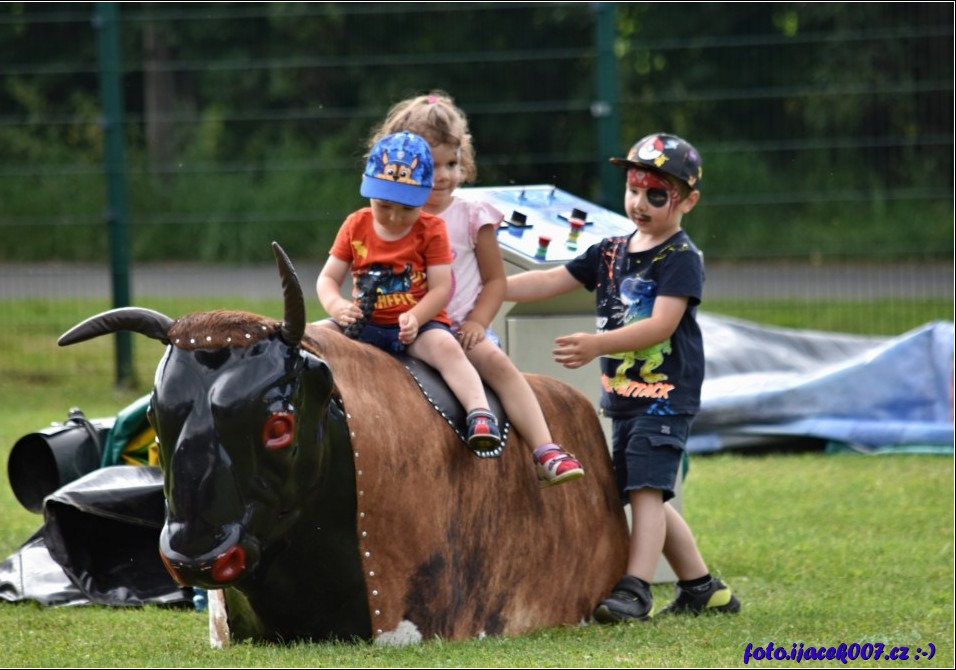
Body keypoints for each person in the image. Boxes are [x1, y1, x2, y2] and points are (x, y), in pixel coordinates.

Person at [505, 133, 740, 618]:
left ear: (688, 201)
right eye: (635, 189)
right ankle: (703, 589)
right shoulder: (611, 250)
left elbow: (661, 325)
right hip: (627, 397)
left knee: (644, 491)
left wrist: (596, 345)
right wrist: (489, 287)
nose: (640, 203)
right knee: (641, 487)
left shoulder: (680, 259)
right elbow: (552, 278)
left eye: (658, 195)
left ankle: (635, 588)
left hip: (664, 397)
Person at [367, 91, 584, 488]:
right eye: (433, 167)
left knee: (500, 367)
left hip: (458, 328)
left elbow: (495, 281)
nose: (446, 175)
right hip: (398, 327)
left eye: (452, 162)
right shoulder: (391, 216)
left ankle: (545, 449)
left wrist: (479, 323)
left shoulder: (472, 217)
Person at [316, 130, 501, 453]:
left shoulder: (431, 229)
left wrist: (416, 317)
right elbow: (328, 279)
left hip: (417, 328)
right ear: (367, 188)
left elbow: (442, 288)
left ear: (424, 196)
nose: (393, 217)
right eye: (383, 205)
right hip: (363, 323)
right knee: (309, 337)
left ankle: (479, 412)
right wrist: (336, 306)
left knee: (447, 349)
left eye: (407, 209)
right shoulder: (355, 224)